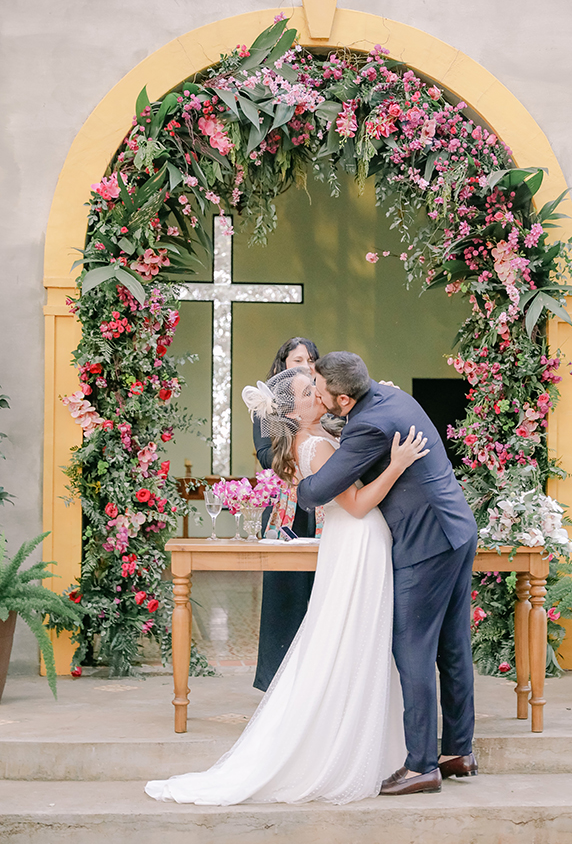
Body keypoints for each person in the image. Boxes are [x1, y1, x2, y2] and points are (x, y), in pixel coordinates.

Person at [145, 367, 428, 805]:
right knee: (350, 640)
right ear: (293, 411)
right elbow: (354, 505)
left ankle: (366, 743)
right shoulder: (313, 447)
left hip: (359, 545)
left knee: (354, 640)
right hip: (357, 541)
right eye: (306, 390)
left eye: (314, 385)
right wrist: (398, 465)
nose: (316, 392)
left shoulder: (316, 438)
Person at [297, 352, 479, 796]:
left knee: (412, 648)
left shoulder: (368, 427)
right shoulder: (391, 397)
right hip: (457, 528)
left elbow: (316, 491)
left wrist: (300, 477)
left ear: (342, 398)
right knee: (452, 646)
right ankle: (457, 750)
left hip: (426, 544)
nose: (314, 391)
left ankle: (421, 765)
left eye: (318, 387)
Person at [252, 337, 321, 692]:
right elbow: (265, 455)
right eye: (298, 359)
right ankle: (275, 683)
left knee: (322, 596)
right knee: (285, 596)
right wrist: (296, 440)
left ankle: (315, 683)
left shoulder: (325, 404)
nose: (306, 366)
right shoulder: (267, 408)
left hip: (324, 507)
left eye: (311, 360)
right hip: (286, 509)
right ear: (282, 364)